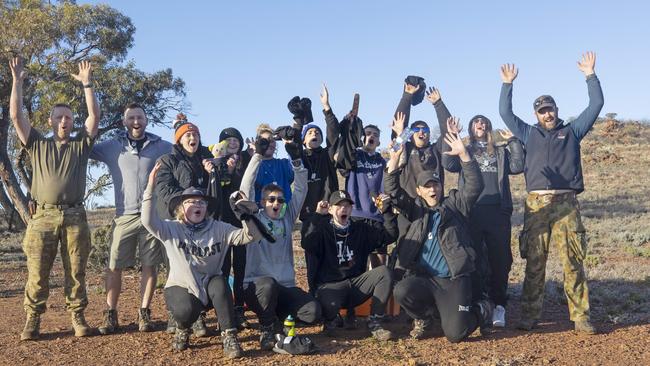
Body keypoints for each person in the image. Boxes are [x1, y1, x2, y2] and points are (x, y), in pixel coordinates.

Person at [498, 52, 604, 334]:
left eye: (550, 108)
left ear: (557, 110)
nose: (547, 113)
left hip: (567, 204)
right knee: (535, 263)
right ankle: (530, 316)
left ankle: (580, 317)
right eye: (542, 110)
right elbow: (505, 114)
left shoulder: (572, 132)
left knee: (572, 262)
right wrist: (508, 85)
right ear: (536, 114)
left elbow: (596, 104)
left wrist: (590, 75)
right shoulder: (528, 133)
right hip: (537, 206)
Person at [9, 57, 100, 340]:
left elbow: (94, 116)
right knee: (37, 273)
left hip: (75, 215)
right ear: (50, 121)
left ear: (73, 123)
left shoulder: (81, 144)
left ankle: (78, 318)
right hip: (42, 217)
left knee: (76, 271)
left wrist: (87, 84)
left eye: (68, 118)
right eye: (59, 117)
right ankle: (32, 321)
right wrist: (17, 82)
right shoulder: (37, 143)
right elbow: (15, 117)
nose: (64, 121)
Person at [142, 163, 264, 357]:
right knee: (185, 310)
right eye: (191, 202)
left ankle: (229, 336)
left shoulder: (219, 228)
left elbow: (250, 237)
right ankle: (183, 328)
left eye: (201, 202)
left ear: (206, 208)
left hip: (209, 284)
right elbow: (147, 221)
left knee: (221, 284)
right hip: (181, 285)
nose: (197, 205)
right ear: (182, 208)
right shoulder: (171, 228)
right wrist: (150, 188)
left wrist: (246, 216)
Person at [386, 125, 493, 343]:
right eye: (427, 186)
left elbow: (474, 185)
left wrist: (464, 155)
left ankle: (481, 310)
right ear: (419, 191)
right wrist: (394, 161)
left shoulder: (455, 205)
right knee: (402, 291)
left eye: (436, 184)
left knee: (456, 334)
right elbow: (393, 191)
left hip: (454, 279)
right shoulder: (415, 209)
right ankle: (425, 319)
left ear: (441, 187)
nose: (432, 189)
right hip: (426, 280)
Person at [90, 103, 172, 335]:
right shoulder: (112, 146)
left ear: (146, 120)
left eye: (140, 117)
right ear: (124, 122)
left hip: (151, 215)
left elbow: (186, 151)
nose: (136, 121)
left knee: (150, 265)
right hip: (123, 215)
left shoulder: (162, 146)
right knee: (114, 266)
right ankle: (110, 313)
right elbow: (83, 147)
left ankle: (144, 312)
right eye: (131, 118)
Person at [238, 137, 322, 350]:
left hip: (284, 287)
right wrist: (257, 155)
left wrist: (296, 160)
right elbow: (245, 188)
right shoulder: (253, 216)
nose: (276, 203)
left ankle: (278, 319)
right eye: (271, 199)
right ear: (262, 202)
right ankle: (267, 327)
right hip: (257, 287)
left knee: (313, 311)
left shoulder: (287, 217)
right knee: (268, 285)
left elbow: (301, 189)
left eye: (280, 200)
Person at [443, 116, 524, 328]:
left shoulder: (498, 150)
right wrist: (453, 136)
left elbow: (517, 166)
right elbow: (449, 164)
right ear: (471, 128)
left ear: (488, 127)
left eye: (484, 122)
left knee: (501, 259)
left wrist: (514, 142)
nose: (480, 124)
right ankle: (478, 303)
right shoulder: (465, 149)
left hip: (498, 212)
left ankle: (499, 304)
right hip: (472, 211)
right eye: (476, 122)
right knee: (474, 258)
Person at [301, 190, 396, 341]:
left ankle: (374, 321)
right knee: (329, 304)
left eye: (347, 206)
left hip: (356, 286)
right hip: (330, 287)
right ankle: (330, 319)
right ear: (330, 209)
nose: (343, 209)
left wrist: (386, 212)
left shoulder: (360, 229)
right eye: (338, 206)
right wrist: (318, 215)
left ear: (352, 209)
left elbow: (389, 236)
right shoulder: (323, 229)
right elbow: (307, 242)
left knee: (384, 273)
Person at [155, 114, 215, 336]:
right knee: (176, 269)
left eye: (196, 135)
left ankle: (197, 315)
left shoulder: (207, 158)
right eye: (188, 135)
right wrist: (190, 200)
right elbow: (164, 192)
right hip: (175, 223)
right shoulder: (168, 161)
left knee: (200, 265)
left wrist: (213, 172)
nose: (193, 138)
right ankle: (176, 314)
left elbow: (217, 189)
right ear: (179, 140)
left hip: (202, 222)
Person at [326, 88, 387, 266]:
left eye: (375, 135)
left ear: (379, 142)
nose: (371, 136)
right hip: (356, 215)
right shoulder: (354, 156)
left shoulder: (383, 161)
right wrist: (350, 124)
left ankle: (379, 293)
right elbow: (342, 151)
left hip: (378, 216)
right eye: (368, 133)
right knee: (357, 261)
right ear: (362, 138)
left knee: (380, 262)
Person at [208, 127, 252, 329]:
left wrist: (235, 170)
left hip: (240, 222)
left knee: (241, 268)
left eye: (236, 139)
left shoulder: (246, 162)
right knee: (223, 268)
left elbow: (243, 189)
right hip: (221, 223)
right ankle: (223, 312)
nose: (233, 143)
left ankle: (239, 309)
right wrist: (223, 167)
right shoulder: (214, 163)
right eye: (228, 140)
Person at [295, 84, 339, 220]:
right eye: (310, 132)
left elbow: (333, 135)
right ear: (303, 140)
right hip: (308, 213)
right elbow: (294, 141)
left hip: (329, 211)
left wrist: (326, 107)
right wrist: (298, 118)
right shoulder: (300, 156)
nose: (314, 133)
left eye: (317, 132)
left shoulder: (327, 154)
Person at [249, 123, 294, 203]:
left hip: (284, 212)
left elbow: (296, 171)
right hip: (261, 212)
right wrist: (256, 155)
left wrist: (289, 146)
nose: (269, 144)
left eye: (272, 140)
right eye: (265, 141)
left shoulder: (283, 164)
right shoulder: (255, 166)